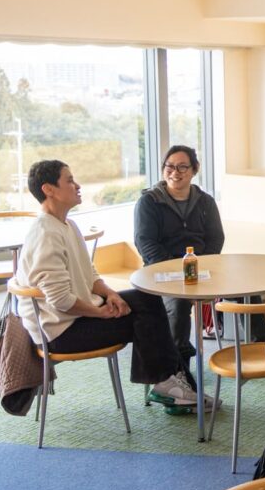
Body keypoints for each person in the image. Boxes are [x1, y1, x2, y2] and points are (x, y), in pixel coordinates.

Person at [13, 160, 203, 411]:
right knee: (145, 321)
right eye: (69, 181)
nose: (77, 185)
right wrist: (99, 312)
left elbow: (89, 274)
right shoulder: (46, 233)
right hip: (60, 333)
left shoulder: (67, 225)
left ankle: (169, 382)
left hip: (73, 317)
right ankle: (171, 384)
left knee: (147, 299)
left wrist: (110, 294)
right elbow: (60, 300)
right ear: (49, 190)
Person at [134, 145, 233, 399]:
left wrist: (200, 267)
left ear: (194, 170)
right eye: (169, 166)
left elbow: (216, 239)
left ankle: (256, 360)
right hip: (163, 276)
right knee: (177, 308)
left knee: (245, 290)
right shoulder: (149, 202)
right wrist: (177, 271)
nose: (174, 172)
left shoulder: (205, 202)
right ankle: (179, 377)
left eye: (182, 167)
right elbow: (146, 244)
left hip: (201, 270)